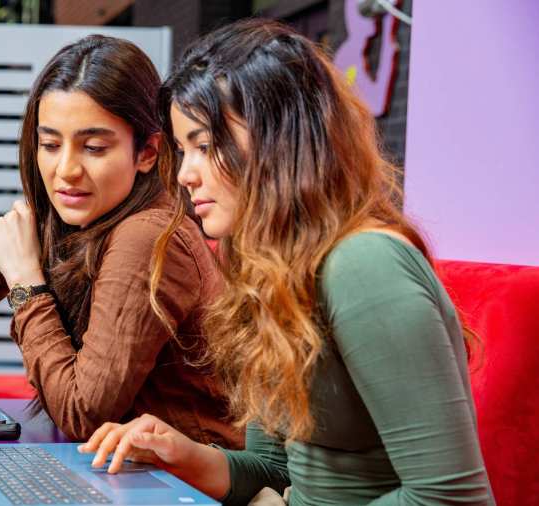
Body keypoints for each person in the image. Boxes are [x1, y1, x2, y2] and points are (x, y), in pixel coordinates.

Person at [80, 19, 493, 505]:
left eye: (206, 146)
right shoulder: (270, 270)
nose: (186, 174)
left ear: (280, 140)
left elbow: (451, 498)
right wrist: (181, 454)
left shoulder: (363, 264)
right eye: (181, 148)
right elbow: (275, 470)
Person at [0, 35, 242, 446]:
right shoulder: (86, 215)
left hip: (181, 486)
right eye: (50, 145)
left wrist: (25, 285)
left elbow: (84, 412)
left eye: (93, 147)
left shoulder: (146, 235)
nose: (66, 169)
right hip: (127, 472)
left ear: (147, 152)